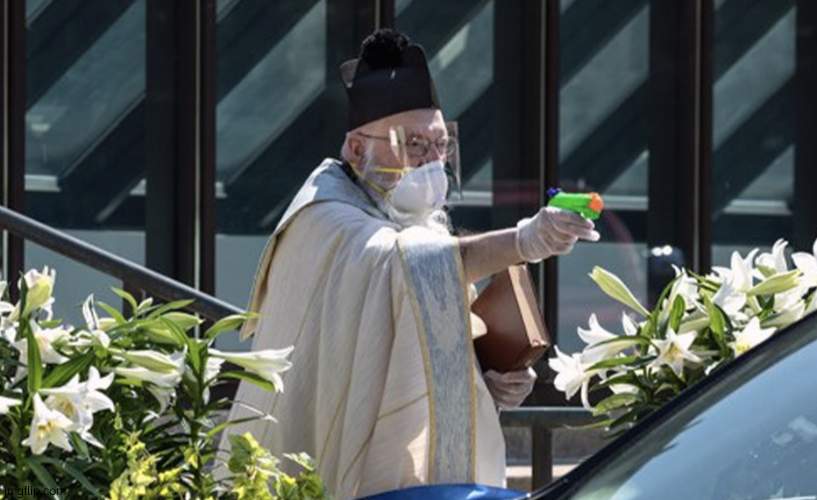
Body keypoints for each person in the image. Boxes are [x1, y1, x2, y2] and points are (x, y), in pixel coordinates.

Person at [219, 28, 600, 499]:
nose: (432, 161)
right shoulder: (322, 217)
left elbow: (415, 333)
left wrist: (486, 380)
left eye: (440, 145)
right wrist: (524, 241)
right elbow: (408, 268)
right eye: (413, 145)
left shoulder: (416, 219)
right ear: (357, 149)